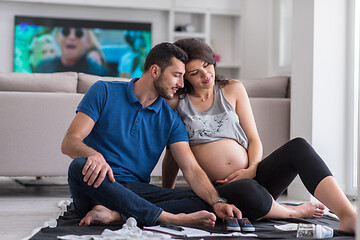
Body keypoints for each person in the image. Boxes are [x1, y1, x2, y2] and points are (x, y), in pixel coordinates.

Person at [162, 38, 357, 233]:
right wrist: (166, 192)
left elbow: (254, 139)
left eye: (207, 65)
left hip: (253, 177)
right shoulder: (177, 103)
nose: (206, 75)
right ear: (184, 77)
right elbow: (173, 154)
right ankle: (290, 211)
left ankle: (348, 214)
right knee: (247, 189)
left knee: (299, 147)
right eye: (195, 73)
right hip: (218, 191)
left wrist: (252, 169)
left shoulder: (233, 88)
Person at [61, 42, 241, 227]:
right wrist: (93, 155)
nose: (181, 84)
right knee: (78, 166)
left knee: (204, 200)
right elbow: (69, 142)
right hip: (99, 185)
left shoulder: (171, 118)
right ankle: (166, 217)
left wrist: (217, 201)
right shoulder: (104, 91)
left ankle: (117, 216)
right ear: (155, 71)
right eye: (177, 75)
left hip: (137, 191)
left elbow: (191, 170)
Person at [34, 27, 114, 76]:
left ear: (88, 40)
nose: (71, 37)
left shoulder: (101, 74)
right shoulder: (42, 68)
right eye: (66, 32)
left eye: (78, 33)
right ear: (57, 36)